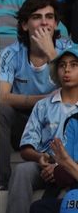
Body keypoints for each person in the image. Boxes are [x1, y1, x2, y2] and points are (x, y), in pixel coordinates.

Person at [0, 0, 71, 186]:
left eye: (49, 17)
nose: (44, 22)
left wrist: (52, 55)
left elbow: (74, 91)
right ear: (24, 25)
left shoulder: (70, 51)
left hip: (62, 118)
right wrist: (43, 99)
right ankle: (0, 181)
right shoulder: (10, 53)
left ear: (56, 24)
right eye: (37, 17)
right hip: (23, 121)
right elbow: (1, 97)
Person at [7, 45, 78, 212]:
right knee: (22, 171)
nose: (67, 70)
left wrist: (62, 169)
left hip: (74, 167)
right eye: (62, 65)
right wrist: (40, 157)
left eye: (74, 65)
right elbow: (26, 148)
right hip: (44, 164)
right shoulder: (43, 105)